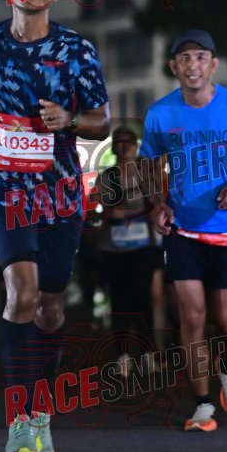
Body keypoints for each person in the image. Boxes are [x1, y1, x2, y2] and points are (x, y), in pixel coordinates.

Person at [0, 0, 110, 452]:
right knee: (21, 293)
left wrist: (71, 119)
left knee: (50, 306)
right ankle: (20, 418)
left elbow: (102, 122)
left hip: (59, 192)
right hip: (4, 188)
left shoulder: (76, 50)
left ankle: (41, 408)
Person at [139, 29, 227, 433]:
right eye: (184, 58)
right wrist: (157, 204)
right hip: (183, 229)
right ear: (173, 67)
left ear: (213, 65)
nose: (192, 65)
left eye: (199, 57)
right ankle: (203, 405)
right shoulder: (160, 113)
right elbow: (147, 167)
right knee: (191, 317)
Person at [94, 126, 160, 373]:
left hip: (142, 248)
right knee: (119, 301)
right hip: (114, 250)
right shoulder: (107, 177)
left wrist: (126, 212)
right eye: (119, 143)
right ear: (113, 148)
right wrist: (121, 212)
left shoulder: (145, 175)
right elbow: (102, 209)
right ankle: (123, 356)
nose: (124, 148)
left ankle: (147, 353)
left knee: (143, 299)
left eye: (129, 143)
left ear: (135, 147)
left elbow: (156, 206)